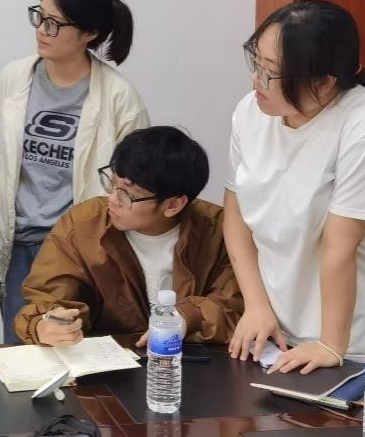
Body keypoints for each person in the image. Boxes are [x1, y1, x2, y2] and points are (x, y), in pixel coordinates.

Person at [225, 0, 365, 374]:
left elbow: (339, 247)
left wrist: (331, 344)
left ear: (325, 82)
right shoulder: (250, 112)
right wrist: (257, 304)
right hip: (277, 327)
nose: (256, 82)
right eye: (256, 63)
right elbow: (236, 215)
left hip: (354, 338)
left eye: (271, 74)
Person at [0, 0, 150, 343]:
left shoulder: (119, 97)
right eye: (39, 16)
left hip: (79, 250)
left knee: (78, 354)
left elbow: (135, 186)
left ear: (89, 33)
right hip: (18, 245)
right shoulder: (13, 78)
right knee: (21, 354)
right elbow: (3, 169)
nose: (41, 30)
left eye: (54, 23)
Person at [15, 127, 242, 348]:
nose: (112, 200)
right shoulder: (83, 225)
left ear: (173, 205)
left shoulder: (221, 231)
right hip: (108, 361)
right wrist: (42, 324)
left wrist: (186, 317)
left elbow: (235, 305)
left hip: (192, 359)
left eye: (127, 194)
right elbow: (48, 299)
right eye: (113, 184)